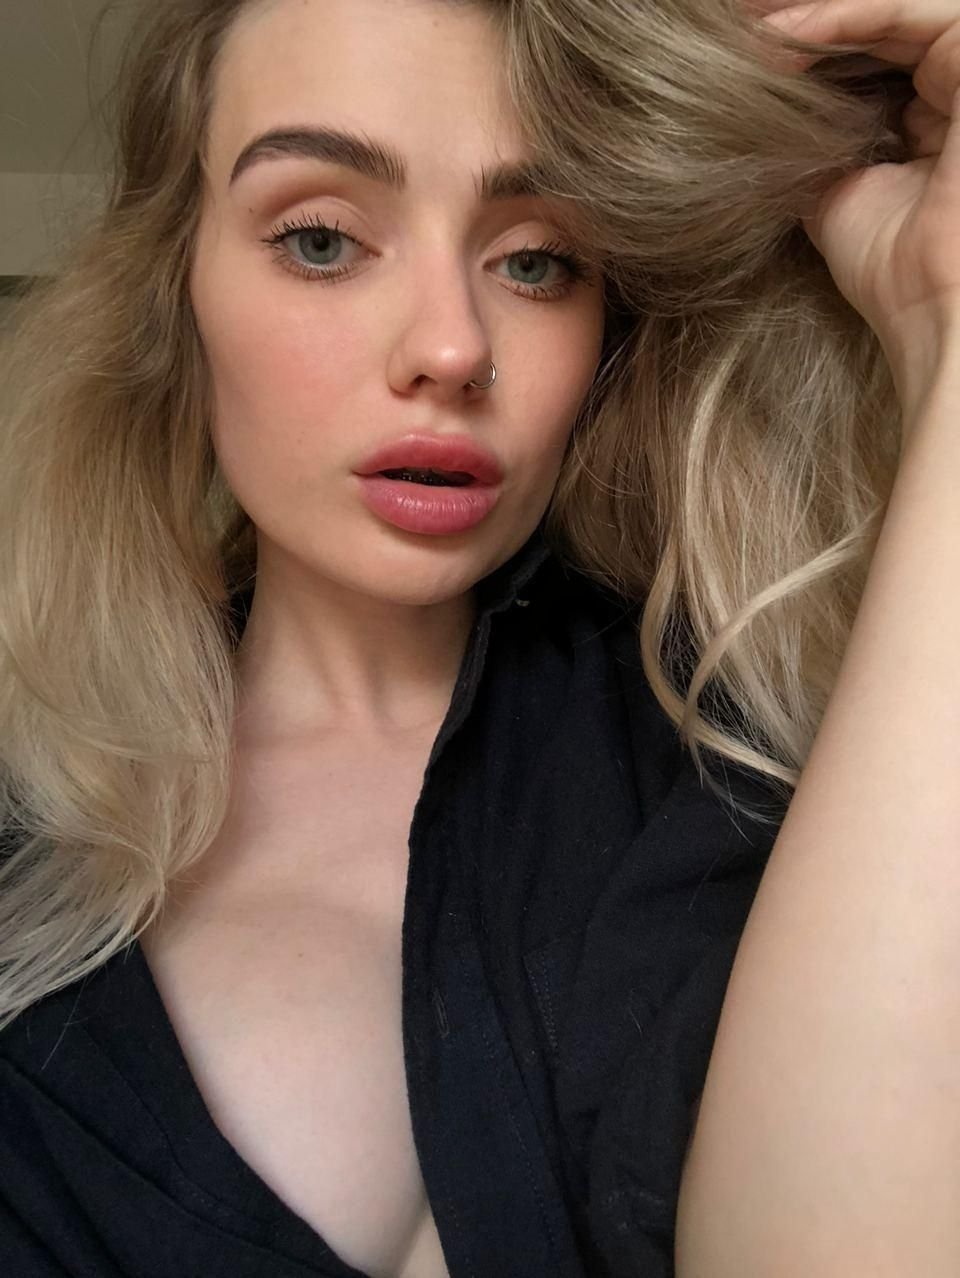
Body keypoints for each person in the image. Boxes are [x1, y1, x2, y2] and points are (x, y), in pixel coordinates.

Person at [1, 0, 956, 1274]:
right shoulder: (24, 811)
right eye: (323, 240)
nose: (451, 348)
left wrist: (948, 324)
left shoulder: (763, 767)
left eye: (538, 261)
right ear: (176, 294)